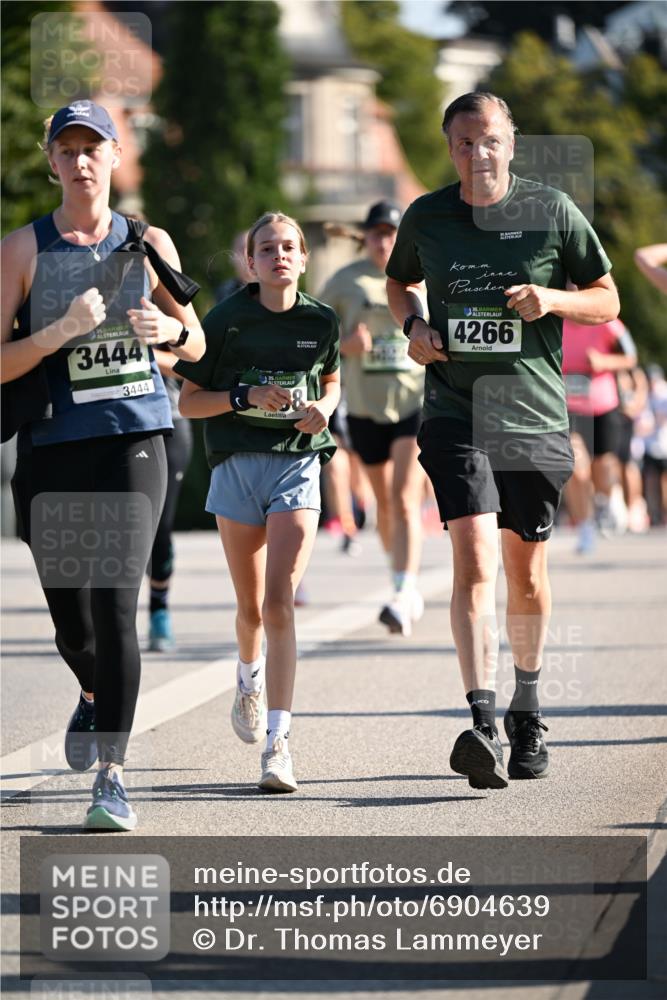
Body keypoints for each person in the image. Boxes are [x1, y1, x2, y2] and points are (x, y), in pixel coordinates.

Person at [386, 92, 619, 788]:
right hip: (454, 412)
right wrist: (414, 327)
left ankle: (528, 709)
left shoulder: (552, 210)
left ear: (510, 145)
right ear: (448, 148)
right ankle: (481, 719)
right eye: (464, 142)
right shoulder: (427, 215)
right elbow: (399, 283)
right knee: (474, 557)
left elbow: (606, 298)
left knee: (526, 575)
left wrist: (554, 299)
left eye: (489, 140)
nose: (477, 153)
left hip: (532, 417)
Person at [1, 101, 205, 830]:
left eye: (94, 148)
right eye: (68, 149)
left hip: (135, 439)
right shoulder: (21, 250)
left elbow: (197, 345)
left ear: (117, 155)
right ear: (52, 161)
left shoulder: (149, 241)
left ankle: (112, 777)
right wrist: (58, 332)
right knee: (75, 628)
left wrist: (170, 328)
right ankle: (90, 693)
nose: (82, 161)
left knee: (118, 605)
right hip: (54, 448)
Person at [175, 211, 340, 793]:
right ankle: (248, 678)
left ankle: (278, 744)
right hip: (237, 465)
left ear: (304, 257)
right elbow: (188, 403)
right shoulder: (225, 320)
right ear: (250, 262)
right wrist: (243, 395)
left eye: (289, 247)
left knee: (279, 602)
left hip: (297, 463)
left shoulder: (322, 320)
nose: (279, 256)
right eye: (266, 248)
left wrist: (326, 408)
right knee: (250, 609)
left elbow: (331, 380)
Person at [319, 201, 426, 636]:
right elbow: (314, 337)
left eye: (392, 233)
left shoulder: (422, 278)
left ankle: (403, 591)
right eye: (378, 233)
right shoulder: (344, 281)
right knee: (384, 505)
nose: (385, 241)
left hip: (413, 403)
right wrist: (345, 345)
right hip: (365, 406)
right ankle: (401, 574)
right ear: (365, 236)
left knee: (404, 497)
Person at [562, 314, 637, 553]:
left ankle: (607, 497)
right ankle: (585, 528)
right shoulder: (555, 321)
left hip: (603, 404)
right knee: (576, 467)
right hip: (569, 407)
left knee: (603, 465)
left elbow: (631, 357)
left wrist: (604, 361)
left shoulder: (607, 322)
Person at [147, 345, 193, 650]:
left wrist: (139, 349)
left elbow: (193, 360)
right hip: (107, 420)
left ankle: (158, 610)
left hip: (167, 419)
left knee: (159, 526)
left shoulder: (166, 306)